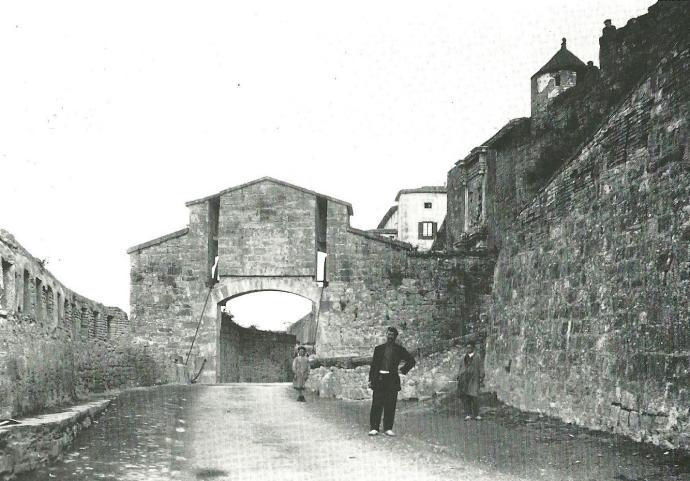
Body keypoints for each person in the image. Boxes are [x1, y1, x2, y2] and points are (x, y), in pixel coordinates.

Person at [368, 326, 416, 436]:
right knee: (376, 403)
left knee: (390, 404)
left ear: (395, 337)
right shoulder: (379, 349)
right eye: (388, 334)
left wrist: (402, 370)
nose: (390, 336)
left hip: (392, 380)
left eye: (392, 335)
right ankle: (374, 427)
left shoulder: (399, 349)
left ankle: (388, 428)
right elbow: (374, 366)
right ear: (386, 335)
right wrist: (371, 380)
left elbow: (411, 361)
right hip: (379, 379)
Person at [456, 341, 485, 420]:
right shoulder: (463, 358)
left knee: (475, 396)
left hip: (474, 379)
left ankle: (476, 414)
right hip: (465, 379)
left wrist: (481, 376)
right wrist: (459, 376)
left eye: (470, 347)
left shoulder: (477, 357)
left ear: (473, 348)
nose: (468, 349)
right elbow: (460, 367)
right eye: (467, 347)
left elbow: (481, 367)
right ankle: (468, 414)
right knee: (466, 397)